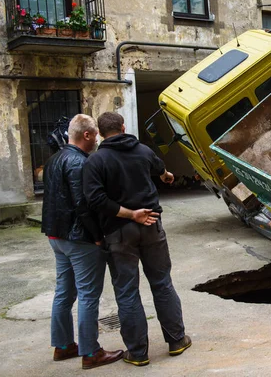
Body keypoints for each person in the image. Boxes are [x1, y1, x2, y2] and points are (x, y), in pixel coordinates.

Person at [83, 111, 191, 367]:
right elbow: (159, 168)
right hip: (152, 226)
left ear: (99, 133)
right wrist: (166, 175)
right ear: (123, 126)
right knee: (162, 282)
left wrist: (129, 214)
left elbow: (95, 200)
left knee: (127, 291)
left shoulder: (96, 162)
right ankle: (176, 341)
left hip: (119, 233)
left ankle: (138, 352)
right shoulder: (142, 150)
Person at [41, 114, 124, 370]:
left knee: (64, 292)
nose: (97, 139)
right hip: (79, 239)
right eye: (95, 135)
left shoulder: (55, 159)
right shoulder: (79, 163)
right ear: (86, 135)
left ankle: (64, 345)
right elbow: (83, 205)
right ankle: (91, 352)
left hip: (57, 236)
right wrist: (97, 237)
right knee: (88, 295)